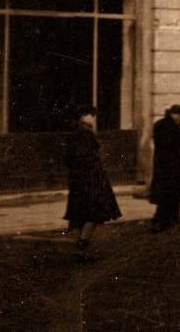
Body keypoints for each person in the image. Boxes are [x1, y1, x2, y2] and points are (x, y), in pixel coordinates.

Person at [63, 106, 121, 259]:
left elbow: (67, 159)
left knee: (80, 213)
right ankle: (81, 246)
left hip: (78, 179)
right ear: (83, 116)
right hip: (91, 179)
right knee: (94, 213)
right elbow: (86, 157)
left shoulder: (75, 133)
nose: (94, 118)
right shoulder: (85, 134)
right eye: (92, 115)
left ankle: (80, 248)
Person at [150, 104, 180, 233]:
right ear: (174, 114)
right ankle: (162, 221)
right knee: (167, 194)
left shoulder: (161, 124)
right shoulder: (165, 126)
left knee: (171, 194)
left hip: (169, 165)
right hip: (167, 165)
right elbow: (176, 142)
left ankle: (171, 219)